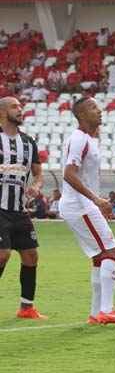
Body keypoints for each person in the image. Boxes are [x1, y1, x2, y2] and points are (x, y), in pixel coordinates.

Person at [59, 98, 115, 326]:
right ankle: (107, 310)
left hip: (83, 205)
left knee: (99, 257)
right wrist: (96, 200)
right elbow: (68, 174)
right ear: (81, 115)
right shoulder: (79, 139)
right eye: (93, 108)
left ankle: (95, 314)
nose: (99, 110)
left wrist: (96, 204)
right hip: (79, 205)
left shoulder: (89, 139)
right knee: (112, 251)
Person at [0, 97, 47, 320]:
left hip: (19, 210)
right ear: (2, 111)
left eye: (20, 107)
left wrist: (36, 186)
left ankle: (26, 308)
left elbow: (38, 173)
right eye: (14, 107)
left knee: (31, 255)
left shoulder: (28, 142)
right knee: (2, 254)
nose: (20, 110)